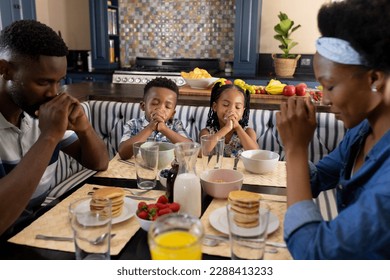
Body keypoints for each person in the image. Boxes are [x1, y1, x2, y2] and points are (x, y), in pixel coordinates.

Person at [276, 0, 390, 259]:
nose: (325, 101)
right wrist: (293, 138)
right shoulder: (362, 132)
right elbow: (319, 177)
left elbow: (315, 255)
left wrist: (295, 150)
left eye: (330, 86)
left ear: (374, 79)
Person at [0, 20, 109, 236]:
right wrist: (49, 137)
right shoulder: (45, 120)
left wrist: (84, 127)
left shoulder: (36, 109)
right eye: (43, 82)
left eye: (59, 81)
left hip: (34, 231)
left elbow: (99, 162)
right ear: (5, 70)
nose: (54, 92)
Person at [118, 77, 192, 159]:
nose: (160, 109)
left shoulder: (175, 125)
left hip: (168, 169)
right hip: (140, 168)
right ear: (143, 106)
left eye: (167, 106)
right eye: (155, 103)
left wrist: (164, 129)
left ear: (172, 114)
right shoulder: (133, 124)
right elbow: (123, 153)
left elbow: (192, 150)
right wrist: (150, 128)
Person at [199, 80, 258, 157]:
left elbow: (255, 154)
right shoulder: (206, 132)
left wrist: (237, 127)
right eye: (225, 105)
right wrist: (227, 128)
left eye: (237, 107)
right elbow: (203, 152)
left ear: (243, 111)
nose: (231, 110)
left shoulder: (248, 132)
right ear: (215, 107)